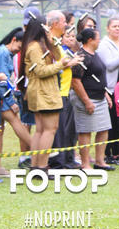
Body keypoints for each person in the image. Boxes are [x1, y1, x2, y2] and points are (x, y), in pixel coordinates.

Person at [19, 18, 82, 170]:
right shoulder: (34, 47)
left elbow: (56, 56)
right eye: (46, 27)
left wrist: (53, 41)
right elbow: (40, 71)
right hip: (43, 92)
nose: (48, 29)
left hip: (43, 91)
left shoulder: (42, 45)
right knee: (49, 129)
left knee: (41, 130)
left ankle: (36, 165)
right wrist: (62, 64)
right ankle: (41, 166)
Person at [70, 28, 113, 172]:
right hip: (86, 98)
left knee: (103, 129)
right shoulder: (81, 56)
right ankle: (85, 163)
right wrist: (86, 101)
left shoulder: (95, 55)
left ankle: (100, 161)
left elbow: (99, 76)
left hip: (100, 97)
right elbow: (75, 81)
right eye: (98, 38)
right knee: (86, 131)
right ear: (90, 40)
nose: (99, 40)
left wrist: (105, 94)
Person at [0, 28, 32, 162]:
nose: (18, 51)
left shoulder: (7, 53)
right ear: (14, 40)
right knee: (17, 123)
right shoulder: (3, 53)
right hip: (1, 96)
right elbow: (4, 81)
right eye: (19, 47)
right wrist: (11, 101)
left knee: (0, 130)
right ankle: (40, 150)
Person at [97, 17, 119, 162]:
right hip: (111, 87)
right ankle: (108, 153)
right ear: (108, 28)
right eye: (114, 26)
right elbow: (110, 65)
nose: (117, 29)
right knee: (110, 122)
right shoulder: (104, 45)